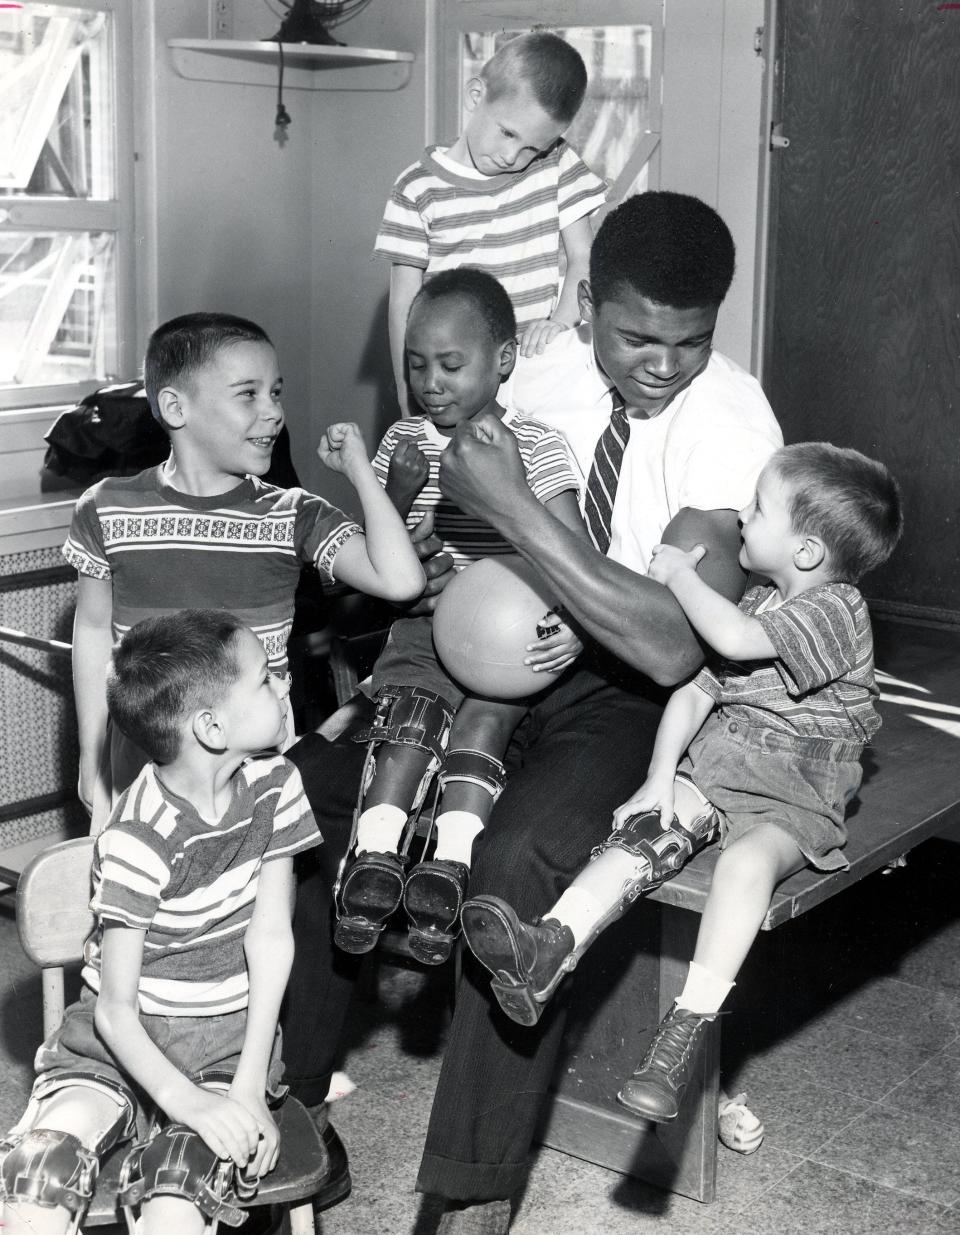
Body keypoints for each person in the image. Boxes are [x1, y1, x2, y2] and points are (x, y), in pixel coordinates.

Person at [281, 190, 783, 1233]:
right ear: (586, 301)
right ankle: (286, 1108)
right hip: (482, 653)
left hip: (636, 693)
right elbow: (421, 504)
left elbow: (669, 639)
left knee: (510, 866)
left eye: (688, 341)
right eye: (636, 334)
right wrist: (427, 567)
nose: (660, 363)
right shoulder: (533, 364)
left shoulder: (731, 421)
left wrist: (514, 510)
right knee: (309, 797)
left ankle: (471, 1192)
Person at [460, 442, 903, 1142]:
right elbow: (694, 694)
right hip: (725, 760)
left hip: (799, 785)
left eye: (758, 508)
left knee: (745, 865)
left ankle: (683, 1030)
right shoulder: (762, 597)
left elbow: (731, 633)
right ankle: (551, 943)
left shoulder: (836, 608)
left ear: (809, 551)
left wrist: (678, 577)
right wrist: (659, 775)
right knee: (646, 833)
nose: (743, 518)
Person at [0, 609, 323, 1235]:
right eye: (264, 679)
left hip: (226, 1045)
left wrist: (248, 1087)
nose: (284, 684)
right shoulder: (140, 837)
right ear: (210, 726)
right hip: (116, 1047)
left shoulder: (278, 784)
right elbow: (114, 1012)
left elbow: (271, 939)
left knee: (178, 1206)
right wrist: (180, 1100)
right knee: (38, 1180)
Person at [63, 311, 424, 836]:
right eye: (248, 394)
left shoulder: (293, 513)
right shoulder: (105, 508)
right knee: (138, 902)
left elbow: (401, 581)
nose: (274, 412)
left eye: (276, 393)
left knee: (252, 910)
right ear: (174, 407)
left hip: (255, 767)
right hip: (142, 760)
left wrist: (360, 473)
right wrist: (91, 754)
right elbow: (93, 632)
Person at [334, 267, 586, 966]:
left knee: (482, 720)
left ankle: (449, 863)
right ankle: (374, 858)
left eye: (451, 364)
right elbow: (385, 562)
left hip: (506, 637)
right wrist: (400, 489)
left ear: (503, 361)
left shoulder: (536, 445)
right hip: (427, 624)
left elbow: (571, 552)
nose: (431, 382)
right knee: (410, 715)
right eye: (417, 366)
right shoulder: (402, 442)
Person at [374, 30, 606, 414]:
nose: (513, 156)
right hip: (453, 376)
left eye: (534, 147)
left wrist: (562, 324)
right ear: (476, 96)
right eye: (507, 133)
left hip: (535, 368)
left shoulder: (558, 164)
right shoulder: (416, 189)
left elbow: (584, 257)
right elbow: (404, 304)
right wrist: (406, 390)